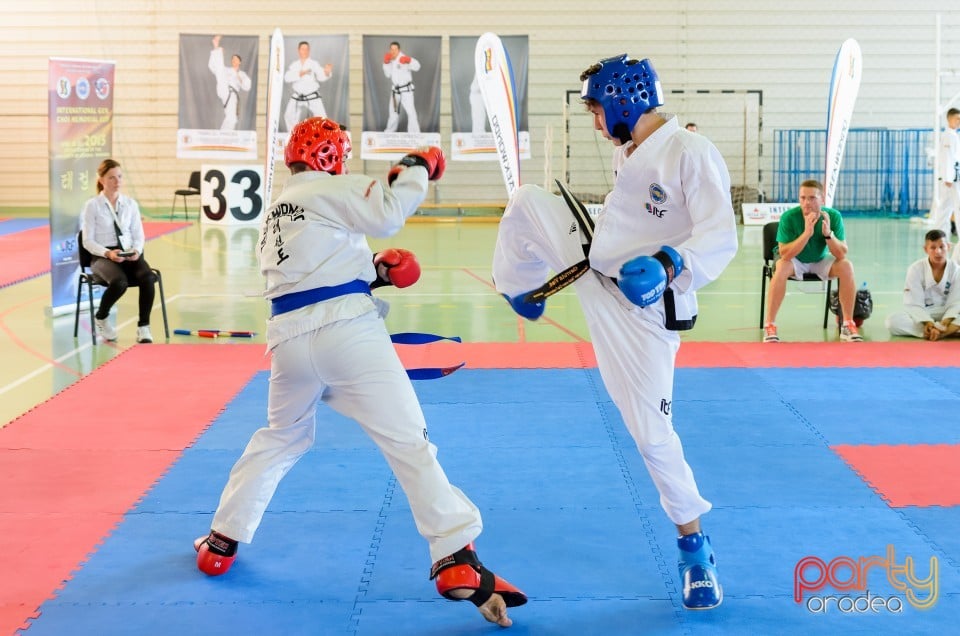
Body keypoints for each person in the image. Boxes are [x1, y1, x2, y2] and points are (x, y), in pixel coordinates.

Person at [193, 117, 526, 628]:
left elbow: (316, 267)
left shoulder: (280, 210)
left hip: (288, 342)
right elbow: (389, 211)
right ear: (333, 157)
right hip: (346, 334)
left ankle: (221, 539)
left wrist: (378, 271)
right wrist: (417, 168)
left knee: (280, 437)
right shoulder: (330, 187)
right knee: (408, 443)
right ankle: (455, 557)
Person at [492, 54, 737, 611]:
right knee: (527, 201)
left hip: (643, 312)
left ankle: (694, 548)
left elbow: (721, 235)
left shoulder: (689, 151)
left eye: (597, 111)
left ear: (625, 99)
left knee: (651, 434)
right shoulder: (631, 152)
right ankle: (520, 291)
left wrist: (671, 263)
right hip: (590, 270)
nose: (597, 124)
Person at [762, 179, 862, 343]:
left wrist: (828, 235)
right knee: (781, 266)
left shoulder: (833, 216)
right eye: (802, 198)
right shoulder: (789, 217)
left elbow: (841, 253)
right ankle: (770, 325)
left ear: (822, 198)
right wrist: (806, 234)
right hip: (795, 260)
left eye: (812, 198)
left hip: (819, 260)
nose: (806, 202)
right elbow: (785, 254)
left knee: (846, 266)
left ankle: (847, 324)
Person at [80, 159, 156, 344]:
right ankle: (101, 316)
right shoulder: (92, 205)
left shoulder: (130, 204)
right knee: (119, 282)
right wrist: (108, 253)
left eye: (120, 177)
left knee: (147, 277)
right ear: (101, 180)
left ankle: (143, 327)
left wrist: (136, 250)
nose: (117, 181)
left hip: (128, 253)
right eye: (112, 177)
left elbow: (139, 235)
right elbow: (87, 241)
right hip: (102, 257)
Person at [886, 229, 960, 340]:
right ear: (926, 249)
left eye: (941, 247)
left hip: (948, 314)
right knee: (892, 322)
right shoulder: (915, 269)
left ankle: (940, 333)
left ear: (948, 247)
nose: (938, 252)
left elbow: (956, 302)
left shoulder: (955, 270)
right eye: (933, 247)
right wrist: (928, 323)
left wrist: (945, 323)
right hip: (925, 312)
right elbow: (913, 303)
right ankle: (942, 332)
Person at [283, 41, 333, 131]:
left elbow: (321, 76)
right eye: (303, 49)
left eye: (307, 49)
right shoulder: (294, 65)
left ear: (309, 50)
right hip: (298, 95)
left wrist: (326, 72)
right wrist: (300, 74)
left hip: (312, 95)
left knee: (322, 119)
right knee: (289, 116)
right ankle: (293, 137)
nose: (305, 51)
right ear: (298, 50)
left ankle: (323, 138)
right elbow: (286, 77)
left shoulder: (313, 64)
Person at [208, 35, 251, 131]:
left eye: (236, 59)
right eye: (232, 59)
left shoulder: (242, 74)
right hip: (224, 88)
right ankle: (216, 46)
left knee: (232, 118)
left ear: (240, 62)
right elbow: (213, 68)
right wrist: (219, 54)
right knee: (220, 70)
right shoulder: (227, 70)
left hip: (232, 95)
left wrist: (237, 75)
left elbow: (247, 86)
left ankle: (224, 136)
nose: (234, 60)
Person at [929, 108, 960, 236]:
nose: (959, 121)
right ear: (949, 119)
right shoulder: (949, 136)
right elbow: (947, 158)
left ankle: (939, 234)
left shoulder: (953, 135)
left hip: (951, 178)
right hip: (952, 179)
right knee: (956, 208)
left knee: (945, 208)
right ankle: (940, 234)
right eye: (957, 119)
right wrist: (948, 178)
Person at [382, 41, 421, 133]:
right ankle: (389, 132)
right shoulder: (390, 59)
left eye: (395, 49)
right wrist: (386, 63)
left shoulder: (404, 58)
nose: (393, 51)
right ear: (390, 50)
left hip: (406, 91)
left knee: (411, 112)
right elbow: (387, 74)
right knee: (393, 113)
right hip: (395, 92)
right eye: (392, 49)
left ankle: (415, 134)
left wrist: (410, 60)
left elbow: (417, 67)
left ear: (399, 50)